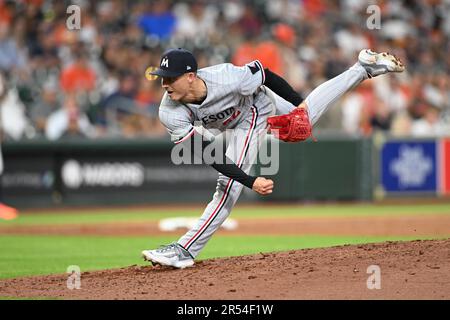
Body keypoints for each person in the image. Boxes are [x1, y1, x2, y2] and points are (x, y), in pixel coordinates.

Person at [142, 48, 404, 268]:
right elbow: (208, 153)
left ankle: (185, 250)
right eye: (162, 78)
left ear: (190, 76)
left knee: (227, 186)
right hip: (236, 121)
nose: (164, 84)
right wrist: (250, 180)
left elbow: (265, 74)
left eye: (170, 78)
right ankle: (363, 68)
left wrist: (296, 102)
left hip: (255, 107)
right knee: (303, 126)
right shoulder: (169, 110)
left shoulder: (228, 77)